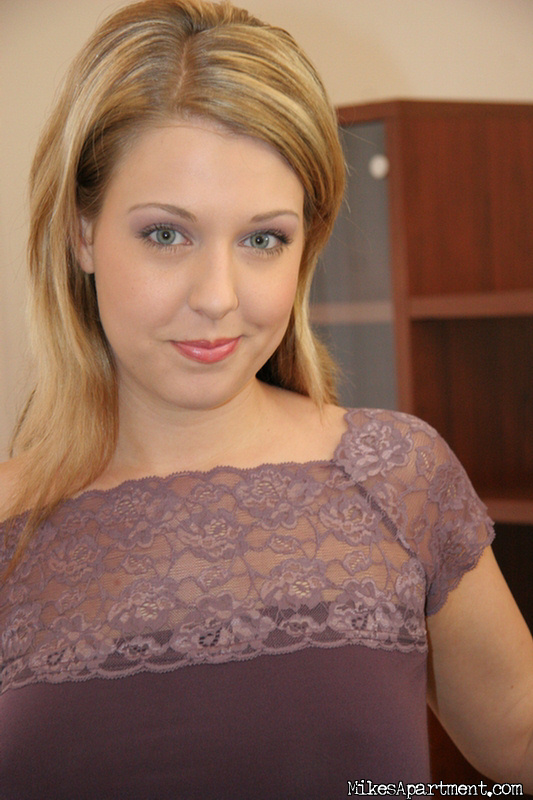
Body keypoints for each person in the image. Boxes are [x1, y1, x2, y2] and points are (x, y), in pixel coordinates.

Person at [0, 1, 532, 797]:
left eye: (262, 239)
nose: (218, 296)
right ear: (82, 232)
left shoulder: (396, 474)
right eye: (166, 234)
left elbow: (518, 733)